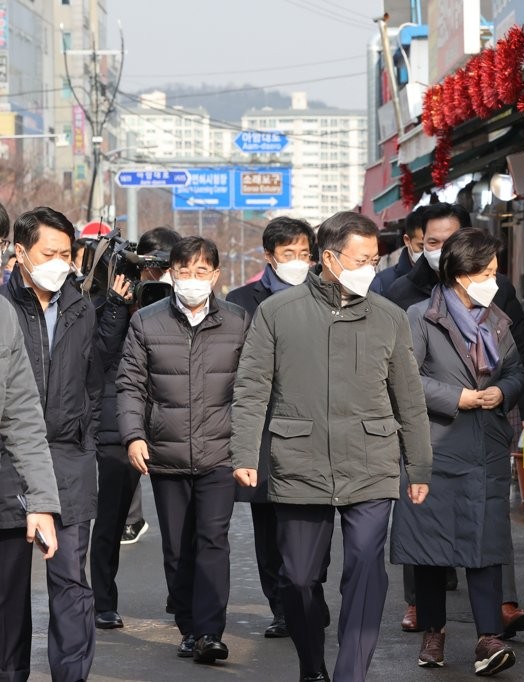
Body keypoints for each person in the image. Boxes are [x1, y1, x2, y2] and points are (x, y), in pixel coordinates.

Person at [230, 211, 433, 682]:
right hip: (298, 462)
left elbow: (409, 395)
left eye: (375, 260)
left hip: (371, 461)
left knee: (365, 570)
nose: (370, 268)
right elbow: (252, 387)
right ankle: (310, 664)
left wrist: (419, 466)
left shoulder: (389, 317)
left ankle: (350, 673)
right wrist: (244, 454)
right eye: (361, 259)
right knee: (298, 579)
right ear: (329, 258)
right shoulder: (277, 312)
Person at [384, 202, 524, 638]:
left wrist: (504, 393)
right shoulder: (417, 315)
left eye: (495, 272)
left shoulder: (496, 318)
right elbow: (403, 378)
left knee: (487, 545)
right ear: (462, 272)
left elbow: (517, 367)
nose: (495, 280)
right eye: (487, 272)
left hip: (486, 446)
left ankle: (489, 637)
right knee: (431, 548)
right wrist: (459, 397)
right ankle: (432, 633)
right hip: (435, 447)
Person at [117, 236, 249, 664]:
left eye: (201, 271)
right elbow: (131, 385)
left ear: (215, 275)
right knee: (177, 547)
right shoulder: (147, 322)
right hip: (166, 453)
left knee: (213, 539)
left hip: (219, 452)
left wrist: (246, 449)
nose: (193, 280)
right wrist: (133, 435)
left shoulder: (237, 321)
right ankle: (188, 626)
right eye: (185, 271)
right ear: (172, 274)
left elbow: (250, 390)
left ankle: (210, 631)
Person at [1, 206, 103, 682]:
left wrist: (86, 435)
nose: (60, 262)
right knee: (9, 587)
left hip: (67, 458)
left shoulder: (82, 307)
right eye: (50, 252)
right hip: (11, 463)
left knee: (70, 580)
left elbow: (96, 380)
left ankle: (70, 675)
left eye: (67, 253)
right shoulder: (6, 306)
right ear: (20, 251)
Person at [226, 215, 322, 639]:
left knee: (312, 523)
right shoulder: (242, 300)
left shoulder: (327, 295)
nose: (299, 262)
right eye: (289, 255)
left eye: (305, 254)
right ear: (269, 256)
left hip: (316, 429)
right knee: (268, 528)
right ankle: (283, 608)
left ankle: (309, 600)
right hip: (265, 429)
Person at [90, 226, 181, 630]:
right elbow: (99, 359)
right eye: (152, 269)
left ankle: (184, 601)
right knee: (109, 519)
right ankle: (103, 601)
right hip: (116, 421)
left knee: (184, 523)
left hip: (174, 419)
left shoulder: (190, 299)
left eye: (168, 269)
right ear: (136, 267)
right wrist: (115, 306)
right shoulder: (113, 299)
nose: (158, 279)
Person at [0, 202, 61, 682]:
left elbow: (22, 413)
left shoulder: (3, 316)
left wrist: (40, 501)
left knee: (9, 622)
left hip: (4, 496)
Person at [370, 207, 424, 295]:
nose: (429, 253)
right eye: (422, 247)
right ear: (407, 240)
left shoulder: (448, 281)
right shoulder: (382, 284)